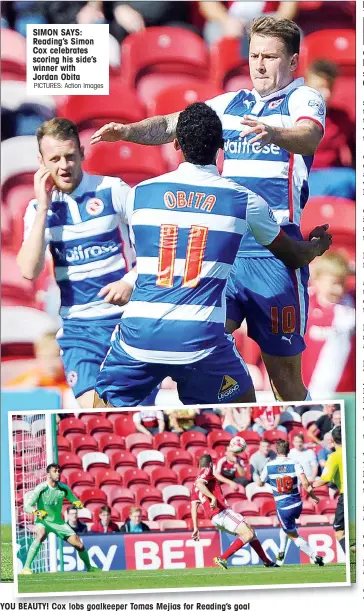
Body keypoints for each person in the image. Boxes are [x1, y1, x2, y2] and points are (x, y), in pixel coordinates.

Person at [90, 16, 328, 403]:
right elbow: (173, 124)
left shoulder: (303, 100)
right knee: (203, 349)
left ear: (294, 61)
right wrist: (128, 131)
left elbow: (310, 135)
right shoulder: (230, 102)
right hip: (224, 250)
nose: (260, 65)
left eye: (270, 56)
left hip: (275, 251)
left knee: (285, 381)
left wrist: (273, 131)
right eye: (254, 56)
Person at [17, 118, 135, 409]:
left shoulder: (112, 190)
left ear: (82, 153)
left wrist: (130, 282)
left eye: (70, 156)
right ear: (41, 162)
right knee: (95, 411)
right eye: (54, 158)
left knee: (130, 413)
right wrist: (44, 206)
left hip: (127, 322)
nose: (63, 165)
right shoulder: (37, 210)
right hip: (79, 330)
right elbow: (27, 271)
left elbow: (157, 245)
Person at [191, 454, 277, 569]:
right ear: (211, 464)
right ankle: (223, 558)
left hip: (215, 518)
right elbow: (200, 484)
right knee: (248, 533)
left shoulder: (193, 486)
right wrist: (213, 497)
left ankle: (267, 561)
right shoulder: (207, 471)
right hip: (221, 512)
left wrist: (196, 528)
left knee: (250, 530)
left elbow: (193, 506)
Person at [21, 464, 98, 574]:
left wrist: (77, 503)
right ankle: (26, 568)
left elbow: (73, 499)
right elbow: (26, 507)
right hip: (43, 521)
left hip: (58, 522)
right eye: (55, 471)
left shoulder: (63, 488)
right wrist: (36, 512)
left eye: (59, 471)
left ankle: (90, 568)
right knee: (41, 534)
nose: (58, 473)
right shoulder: (41, 488)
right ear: (48, 474)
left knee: (79, 544)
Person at [258, 440, 324, 565]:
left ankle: (314, 556)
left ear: (276, 451)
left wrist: (267, 481)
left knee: (293, 535)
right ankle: (281, 551)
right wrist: (313, 496)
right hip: (297, 503)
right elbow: (305, 484)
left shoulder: (269, 465)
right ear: (288, 451)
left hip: (283, 506)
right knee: (287, 527)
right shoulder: (295, 463)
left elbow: (260, 483)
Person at [302, 252, 355, 396]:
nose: (339, 289)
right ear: (316, 280)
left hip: (346, 394)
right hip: (308, 391)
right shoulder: (301, 304)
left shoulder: (352, 303)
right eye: (334, 283)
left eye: (342, 283)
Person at [305, 60, 355, 200]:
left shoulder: (342, 117)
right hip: (302, 179)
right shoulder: (291, 116)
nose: (326, 93)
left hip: (335, 177)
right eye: (320, 88)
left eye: (330, 88)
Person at [312, 426, 346, 554]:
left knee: (339, 531)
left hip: (346, 497)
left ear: (332, 440)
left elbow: (325, 479)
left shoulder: (334, 456)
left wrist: (310, 486)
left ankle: (354, 561)